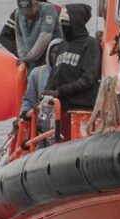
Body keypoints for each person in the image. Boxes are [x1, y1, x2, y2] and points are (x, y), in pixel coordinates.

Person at [41, 4, 101, 141]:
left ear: (77, 21)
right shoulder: (63, 44)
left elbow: (89, 78)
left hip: (81, 108)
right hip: (60, 108)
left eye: (66, 22)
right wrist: (46, 92)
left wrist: (61, 91)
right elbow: (55, 73)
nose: (64, 26)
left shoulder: (90, 44)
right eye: (62, 23)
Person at [19, 38, 62, 136]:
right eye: (54, 52)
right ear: (49, 54)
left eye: (61, 52)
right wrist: (22, 115)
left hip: (63, 129)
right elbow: (29, 100)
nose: (57, 55)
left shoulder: (71, 74)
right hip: (41, 130)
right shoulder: (37, 73)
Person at [14, 0, 63, 69]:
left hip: (50, 58)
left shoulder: (48, 9)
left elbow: (45, 37)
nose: (26, 15)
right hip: (32, 59)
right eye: (23, 11)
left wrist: (28, 58)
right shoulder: (18, 13)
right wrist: (22, 56)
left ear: (36, 3)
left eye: (29, 10)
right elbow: (19, 36)